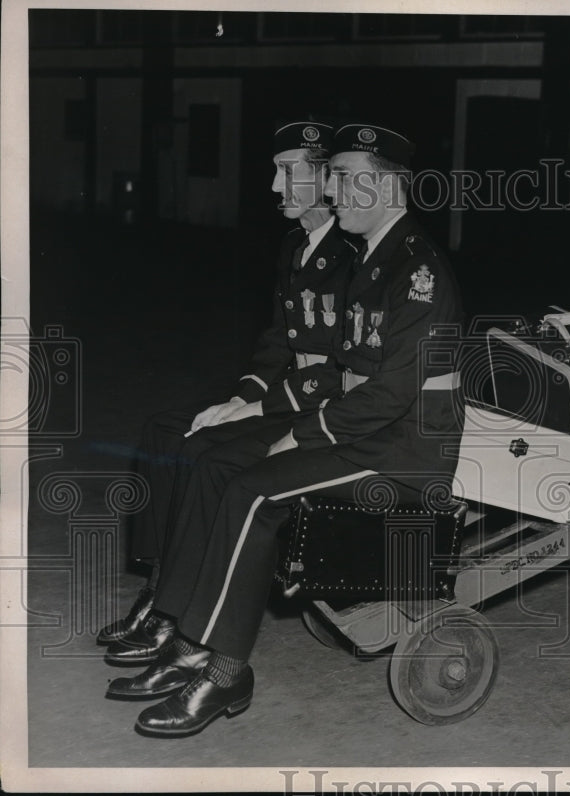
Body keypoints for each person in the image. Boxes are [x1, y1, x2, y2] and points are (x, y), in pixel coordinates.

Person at [107, 123, 464, 737]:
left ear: (389, 189)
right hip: (363, 432)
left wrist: (303, 433)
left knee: (254, 491)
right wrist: (279, 412)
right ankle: (190, 641)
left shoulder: (417, 273)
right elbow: (340, 369)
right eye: (333, 177)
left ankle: (225, 672)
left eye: (349, 179)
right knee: (218, 465)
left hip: (404, 451)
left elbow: (391, 392)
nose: (334, 190)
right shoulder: (375, 258)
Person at [99, 120, 355, 663]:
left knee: (201, 451)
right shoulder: (295, 245)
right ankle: (160, 586)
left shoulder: (354, 255)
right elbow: (276, 341)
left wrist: (261, 406)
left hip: (318, 408)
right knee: (165, 433)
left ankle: (177, 611)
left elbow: (338, 370)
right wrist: (242, 398)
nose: (274, 187)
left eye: (288, 173)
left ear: (324, 180)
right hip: (284, 393)